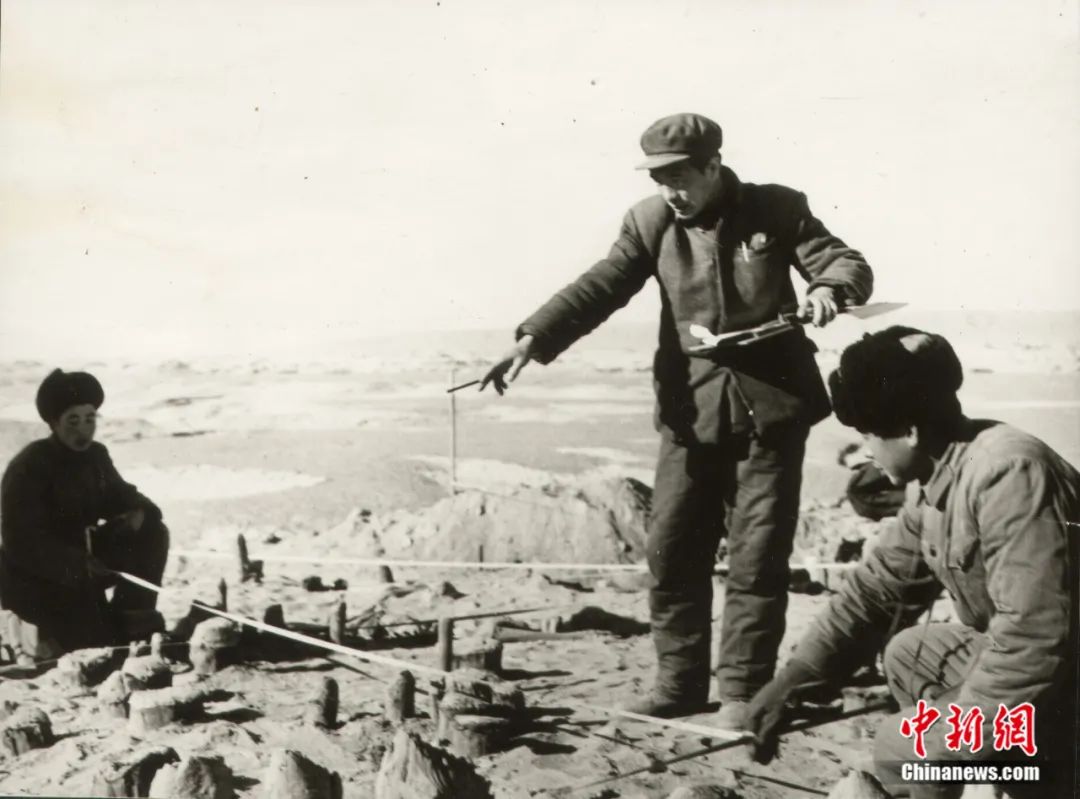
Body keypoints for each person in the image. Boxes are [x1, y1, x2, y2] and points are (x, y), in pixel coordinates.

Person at [480, 112, 873, 728]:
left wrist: (829, 289)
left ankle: (743, 691)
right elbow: (601, 285)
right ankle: (678, 684)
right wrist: (533, 337)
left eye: (679, 177)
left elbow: (842, 261)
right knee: (670, 551)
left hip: (770, 412)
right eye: (658, 179)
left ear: (714, 165)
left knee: (757, 558)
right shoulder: (649, 221)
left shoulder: (776, 208)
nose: (669, 191)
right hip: (689, 413)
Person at [745, 328, 1079, 798]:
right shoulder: (937, 478)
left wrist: (942, 742)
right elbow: (876, 591)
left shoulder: (1009, 475)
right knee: (908, 653)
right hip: (1054, 680)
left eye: (868, 435)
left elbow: (1035, 638)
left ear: (910, 431)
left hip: (1061, 685)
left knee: (902, 743)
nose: (866, 450)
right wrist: (794, 681)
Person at [0, 369, 169, 656]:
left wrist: (140, 511)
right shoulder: (30, 465)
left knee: (153, 531)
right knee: (90, 645)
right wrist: (76, 563)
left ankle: (132, 611)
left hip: (85, 564)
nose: (83, 430)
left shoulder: (95, 456)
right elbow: (21, 541)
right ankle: (31, 630)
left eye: (90, 419)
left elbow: (120, 494)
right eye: (73, 420)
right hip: (38, 576)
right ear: (54, 423)